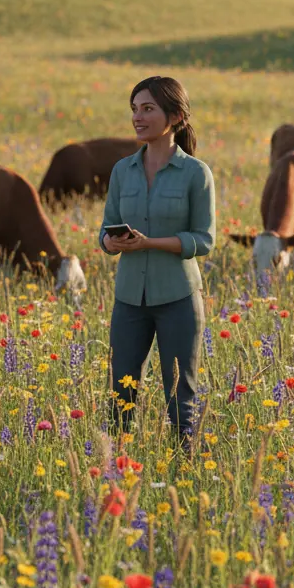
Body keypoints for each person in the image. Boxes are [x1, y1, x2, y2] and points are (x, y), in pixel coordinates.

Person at [99, 75, 216, 443]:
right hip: (129, 300)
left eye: (148, 108)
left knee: (182, 397)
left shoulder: (196, 174)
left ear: (176, 116)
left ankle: (186, 470)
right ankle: (117, 471)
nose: (138, 116)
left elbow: (204, 240)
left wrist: (151, 243)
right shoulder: (122, 170)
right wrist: (111, 242)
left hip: (178, 299)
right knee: (121, 395)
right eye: (134, 109)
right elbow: (104, 231)